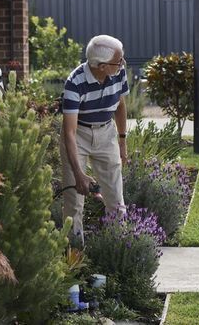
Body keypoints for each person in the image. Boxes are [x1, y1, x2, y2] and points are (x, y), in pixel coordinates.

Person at [60, 34, 129, 242]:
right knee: (74, 203)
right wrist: (78, 174)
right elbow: (69, 133)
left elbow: (120, 105)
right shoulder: (74, 83)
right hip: (78, 135)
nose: (123, 64)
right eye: (118, 61)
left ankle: (118, 248)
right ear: (101, 66)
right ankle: (74, 252)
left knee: (116, 200)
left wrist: (122, 142)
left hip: (106, 132)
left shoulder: (119, 72)